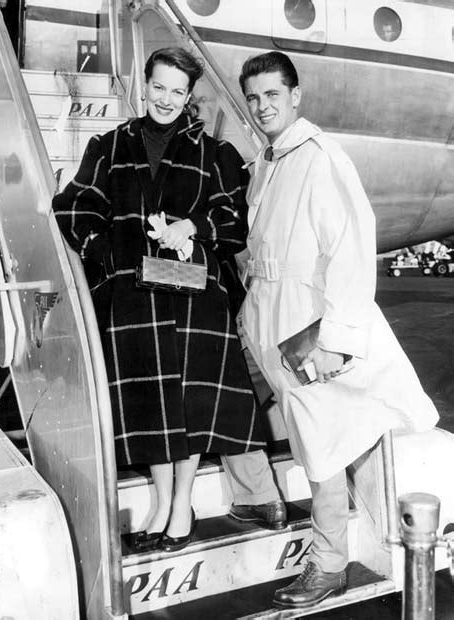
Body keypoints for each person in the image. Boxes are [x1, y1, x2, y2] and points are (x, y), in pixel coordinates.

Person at [53, 46, 286, 554]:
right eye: (158, 87)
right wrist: (107, 251)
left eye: (177, 91)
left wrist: (192, 227)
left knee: (185, 407)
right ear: (145, 85)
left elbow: (234, 222)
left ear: (188, 96)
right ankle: (162, 503)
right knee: (148, 407)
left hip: (193, 299)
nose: (166, 98)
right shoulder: (109, 146)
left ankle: (181, 507)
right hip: (133, 299)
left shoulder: (214, 154)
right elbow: (73, 208)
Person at [238, 51, 439, 608]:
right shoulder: (269, 160)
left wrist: (336, 340)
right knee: (310, 440)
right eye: (253, 98)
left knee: (321, 446)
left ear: (295, 96)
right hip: (273, 317)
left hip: (310, 323)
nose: (260, 107)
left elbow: (351, 246)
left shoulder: (320, 156)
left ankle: (327, 565)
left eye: (271, 95)